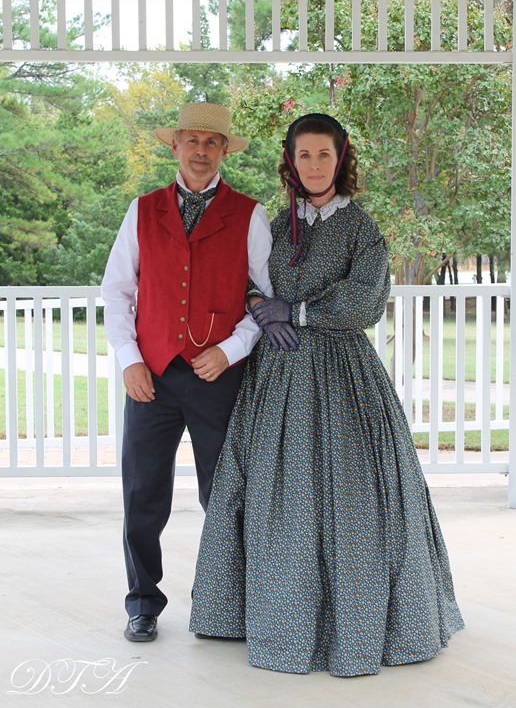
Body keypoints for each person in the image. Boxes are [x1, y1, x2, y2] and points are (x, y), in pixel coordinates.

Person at [189, 112, 464, 677]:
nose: (314, 166)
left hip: (343, 377)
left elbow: (365, 302)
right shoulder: (267, 220)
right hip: (276, 374)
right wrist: (258, 305)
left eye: (325, 155)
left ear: (342, 159)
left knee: (351, 496)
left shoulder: (362, 227)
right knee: (274, 492)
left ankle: (357, 623)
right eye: (304, 155)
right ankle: (263, 615)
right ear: (290, 159)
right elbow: (234, 275)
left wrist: (299, 310)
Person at [101, 102, 275, 643]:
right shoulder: (142, 209)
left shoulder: (250, 214)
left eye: (212, 142)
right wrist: (129, 359)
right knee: (142, 494)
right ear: (174, 146)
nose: (201, 151)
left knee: (223, 496)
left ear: (225, 150)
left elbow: (268, 301)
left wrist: (231, 349)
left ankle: (223, 604)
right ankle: (142, 602)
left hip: (217, 377)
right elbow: (116, 291)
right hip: (149, 376)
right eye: (192, 141)